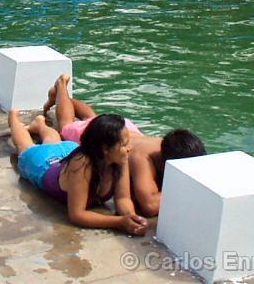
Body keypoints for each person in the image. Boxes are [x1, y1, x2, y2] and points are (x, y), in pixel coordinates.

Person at [44, 73, 206, 217]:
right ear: (165, 163)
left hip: (125, 133)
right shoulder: (142, 158)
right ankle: (61, 87)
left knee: (92, 117)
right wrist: (188, 188)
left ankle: (62, 97)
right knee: (66, 125)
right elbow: (149, 206)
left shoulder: (172, 145)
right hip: (120, 136)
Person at [8, 109, 149, 236]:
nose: (129, 148)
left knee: (54, 141)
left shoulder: (120, 159)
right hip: (44, 164)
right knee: (25, 145)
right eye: (124, 144)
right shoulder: (82, 165)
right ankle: (14, 119)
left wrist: (132, 218)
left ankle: (40, 125)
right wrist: (118, 222)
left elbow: (122, 199)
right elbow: (77, 214)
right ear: (105, 148)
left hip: (69, 150)